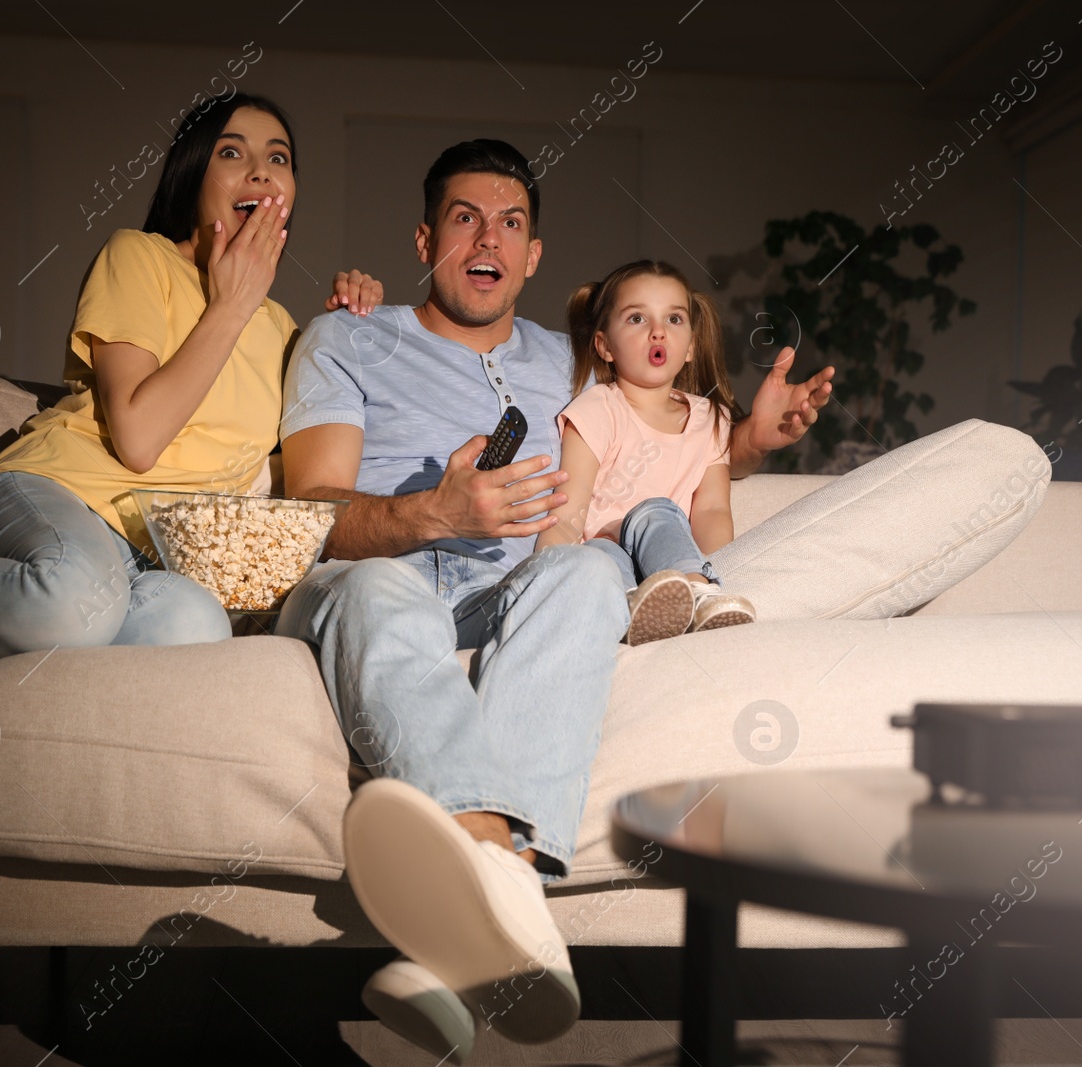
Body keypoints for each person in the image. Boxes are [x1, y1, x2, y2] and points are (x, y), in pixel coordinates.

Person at [276, 138, 831, 1060]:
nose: (488, 236)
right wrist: (432, 511)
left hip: (516, 588)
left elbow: (662, 438)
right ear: (425, 238)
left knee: (583, 571)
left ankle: (470, 938)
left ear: (534, 255)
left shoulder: (577, 360)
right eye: (464, 218)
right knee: (381, 590)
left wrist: (752, 442)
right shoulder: (348, 334)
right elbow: (310, 513)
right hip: (380, 572)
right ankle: (506, 887)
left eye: (512, 222)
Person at [0, 94, 382, 661]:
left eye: (278, 158)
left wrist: (355, 331)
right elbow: (139, 439)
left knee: (193, 627)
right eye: (231, 152)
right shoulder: (139, 257)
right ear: (194, 177)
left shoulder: (283, 330)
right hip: (51, 498)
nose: (260, 171)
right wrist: (229, 306)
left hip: (145, 563)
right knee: (72, 599)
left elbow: (299, 478)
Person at [538, 259, 757, 645]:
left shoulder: (711, 419)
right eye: (637, 319)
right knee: (603, 554)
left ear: (690, 346)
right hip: (606, 551)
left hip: (670, 560)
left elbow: (711, 510)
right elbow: (569, 512)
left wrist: (713, 565)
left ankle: (699, 595)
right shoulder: (598, 409)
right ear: (605, 346)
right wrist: (544, 575)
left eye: (674, 320)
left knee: (658, 514)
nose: (658, 332)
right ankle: (627, 611)